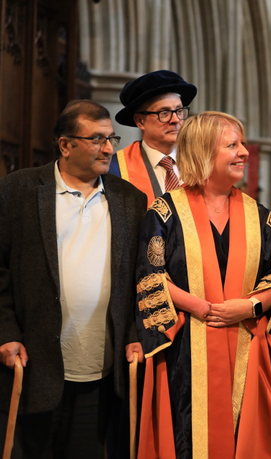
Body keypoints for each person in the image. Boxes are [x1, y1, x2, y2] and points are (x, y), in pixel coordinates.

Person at [135, 111, 271, 459]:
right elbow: (150, 274)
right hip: (185, 352)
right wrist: (200, 307)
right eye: (232, 145)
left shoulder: (260, 215)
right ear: (203, 152)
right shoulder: (165, 212)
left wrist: (250, 307)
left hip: (244, 346)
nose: (244, 152)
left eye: (242, 144)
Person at [0, 100, 147, 457]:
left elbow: (138, 280)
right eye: (97, 139)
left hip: (100, 370)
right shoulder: (17, 190)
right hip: (33, 364)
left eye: (111, 138)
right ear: (66, 145)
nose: (109, 148)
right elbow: (0, 271)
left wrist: (133, 335)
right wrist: (6, 333)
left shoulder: (130, 200)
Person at [110, 70, 197, 205]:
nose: (175, 119)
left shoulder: (201, 162)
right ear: (140, 121)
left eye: (179, 111)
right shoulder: (116, 169)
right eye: (164, 113)